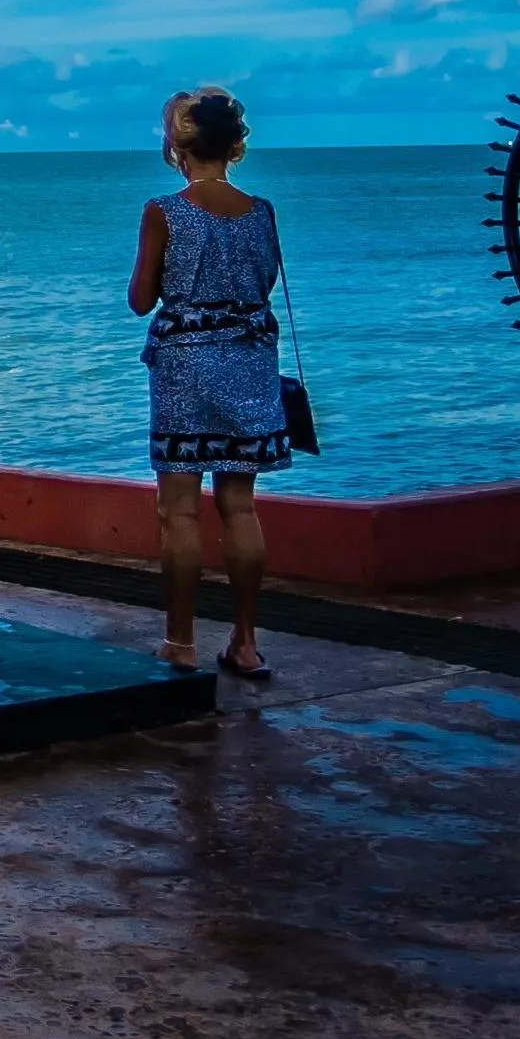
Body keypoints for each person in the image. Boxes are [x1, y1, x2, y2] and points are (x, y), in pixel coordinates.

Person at [131, 86, 289, 683]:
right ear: (234, 146)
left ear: (178, 146)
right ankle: (246, 643)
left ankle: (180, 642)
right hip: (250, 361)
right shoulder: (263, 211)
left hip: (185, 367)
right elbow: (263, 286)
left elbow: (141, 299)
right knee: (241, 505)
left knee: (179, 512)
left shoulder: (164, 211)